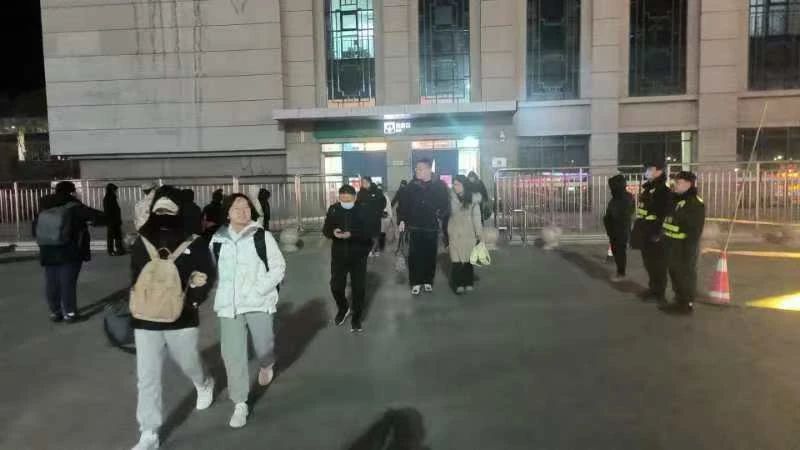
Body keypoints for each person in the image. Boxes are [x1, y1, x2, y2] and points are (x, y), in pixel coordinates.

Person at [129, 186, 216, 450]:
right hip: (146, 320)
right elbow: (135, 277)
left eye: (169, 210)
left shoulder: (194, 242)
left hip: (183, 318)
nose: (163, 216)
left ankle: (203, 382)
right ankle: (149, 432)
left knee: (188, 362)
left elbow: (207, 274)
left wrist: (193, 300)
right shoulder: (142, 242)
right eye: (159, 211)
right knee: (147, 377)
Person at [210, 193, 286, 428]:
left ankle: (267, 363)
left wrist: (259, 289)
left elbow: (278, 266)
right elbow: (212, 269)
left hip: (257, 302)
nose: (243, 211)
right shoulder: (217, 240)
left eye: (246, 207)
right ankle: (240, 403)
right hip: (229, 306)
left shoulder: (262, 236)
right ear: (227, 213)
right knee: (233, 355)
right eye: (237, 208)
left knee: (264, 345)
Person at [33, 181, 103, 323]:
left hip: (47, 249)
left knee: (51, 282)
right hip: (69, 250)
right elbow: (99, 217)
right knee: (67, 283)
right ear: (71, 192)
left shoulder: (44, 206)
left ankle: (55, 312)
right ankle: (70, 313)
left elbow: (35, 228)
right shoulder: (74, 206)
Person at [397, 159, 450, 296]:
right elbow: (403, 205)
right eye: (416, 169)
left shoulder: (439, 185)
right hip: (415, 227)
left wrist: (439, 215)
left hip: (431, 227)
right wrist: (402, 220)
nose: (417, 171)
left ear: (428, 169)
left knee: (430, 255)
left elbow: (445, 204)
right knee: (414, 256)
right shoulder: (411, 186)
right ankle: (415, 282)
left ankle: (428, 280)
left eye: (420, 168)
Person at [323, 185, 372, 332]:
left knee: (359, 289)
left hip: (358, 256)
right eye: (342, 200)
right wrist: (333, 232)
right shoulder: (333, 209)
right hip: (339, 255)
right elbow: (326, 230)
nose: (345, 203)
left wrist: (352, 234)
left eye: (348, 200)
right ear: (339, 198)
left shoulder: (363, 210)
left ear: (355, 198)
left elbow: (368, 232)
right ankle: (343, 308)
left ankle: (356, 318)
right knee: (336, 286)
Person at [660, 171, 705, 315]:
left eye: (678, 182)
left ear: (688, 184)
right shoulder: (676, 199)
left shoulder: (695, 203)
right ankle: (679, 300)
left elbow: (694, 230)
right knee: (675, 273)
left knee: (685, 274)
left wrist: (689, 250)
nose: (675, 185)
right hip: (671, 244)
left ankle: (686, 303)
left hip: (684, 246)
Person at [631, 162, 672, 303]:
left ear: (659, 171)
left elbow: (665, 215)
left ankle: (659, 293)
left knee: (658, 264)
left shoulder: (664, 192)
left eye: (650, 169)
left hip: (655, 234)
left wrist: (659, 233)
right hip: (645, 232)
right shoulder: (648, 189)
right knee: (649, 263)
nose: (647, 171)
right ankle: (653, 289)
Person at [447, 175, 483, 294]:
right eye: (454, 184)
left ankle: (468, 282)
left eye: (457, 184)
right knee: (456, 261)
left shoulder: (473, 200)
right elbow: (445, 216)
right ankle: (458, 284)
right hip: (454, 233)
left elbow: (476, 218)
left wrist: (479, 234)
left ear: (464, 185)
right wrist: (447, 232)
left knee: (468, 260)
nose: (455, 187)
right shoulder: (450, 198)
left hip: (469, 233)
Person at [603, 175, 634, 282]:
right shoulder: (616, 197)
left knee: (620, 251)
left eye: (612, 185)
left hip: (620, 230)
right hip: (614, 230)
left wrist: (610, 218)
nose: (610, 188)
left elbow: (623, 214)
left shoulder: (626, 198)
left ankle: (621, 273)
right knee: (616, 250)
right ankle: (619, 271)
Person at [356, 176, 387, 257]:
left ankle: (375, 250)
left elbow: (383, 202)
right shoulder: (360, 193)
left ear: (369, 182)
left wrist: (378, 211)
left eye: (365, 182)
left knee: (375, 235)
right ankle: (370, 250)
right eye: (362, 182)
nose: (363, 184)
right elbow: (357, 204)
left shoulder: (377, 191)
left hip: (375, 218)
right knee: (366, 235)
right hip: (365, 219)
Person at [104, 183, 125, 256]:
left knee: (115, 236)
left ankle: (116, 250)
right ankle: (113, 250)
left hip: (112, 221)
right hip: (113, 221)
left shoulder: (109, 197)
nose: (116, 191)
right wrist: (117, 220)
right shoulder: (111, 198)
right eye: (115, 190)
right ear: (112, 190)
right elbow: (111, 211)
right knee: (114, 236)